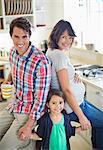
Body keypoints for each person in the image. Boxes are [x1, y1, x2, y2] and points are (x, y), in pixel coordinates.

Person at [46, 19, 103, 150]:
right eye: (63, 37)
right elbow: (66, 90)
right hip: (73, 106)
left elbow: (61, 76)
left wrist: (73, 74)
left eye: (70, 37)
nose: (67, 41)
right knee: (101, 123)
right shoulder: (60, 56)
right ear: (56, 36)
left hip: (71, 104)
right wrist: (81, 117)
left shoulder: (51, 52)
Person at [0, 17, 51, 150]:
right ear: (11, 36)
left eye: (24, 37)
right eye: (16, 37)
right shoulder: (12, 53)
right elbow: (13, 70)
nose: (20, 41)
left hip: (28, 112)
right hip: (14, 104)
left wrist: (28, 126)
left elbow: (40, 101)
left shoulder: (41, 62)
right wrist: (8, 81)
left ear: (29, 36)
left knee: (4, 146)